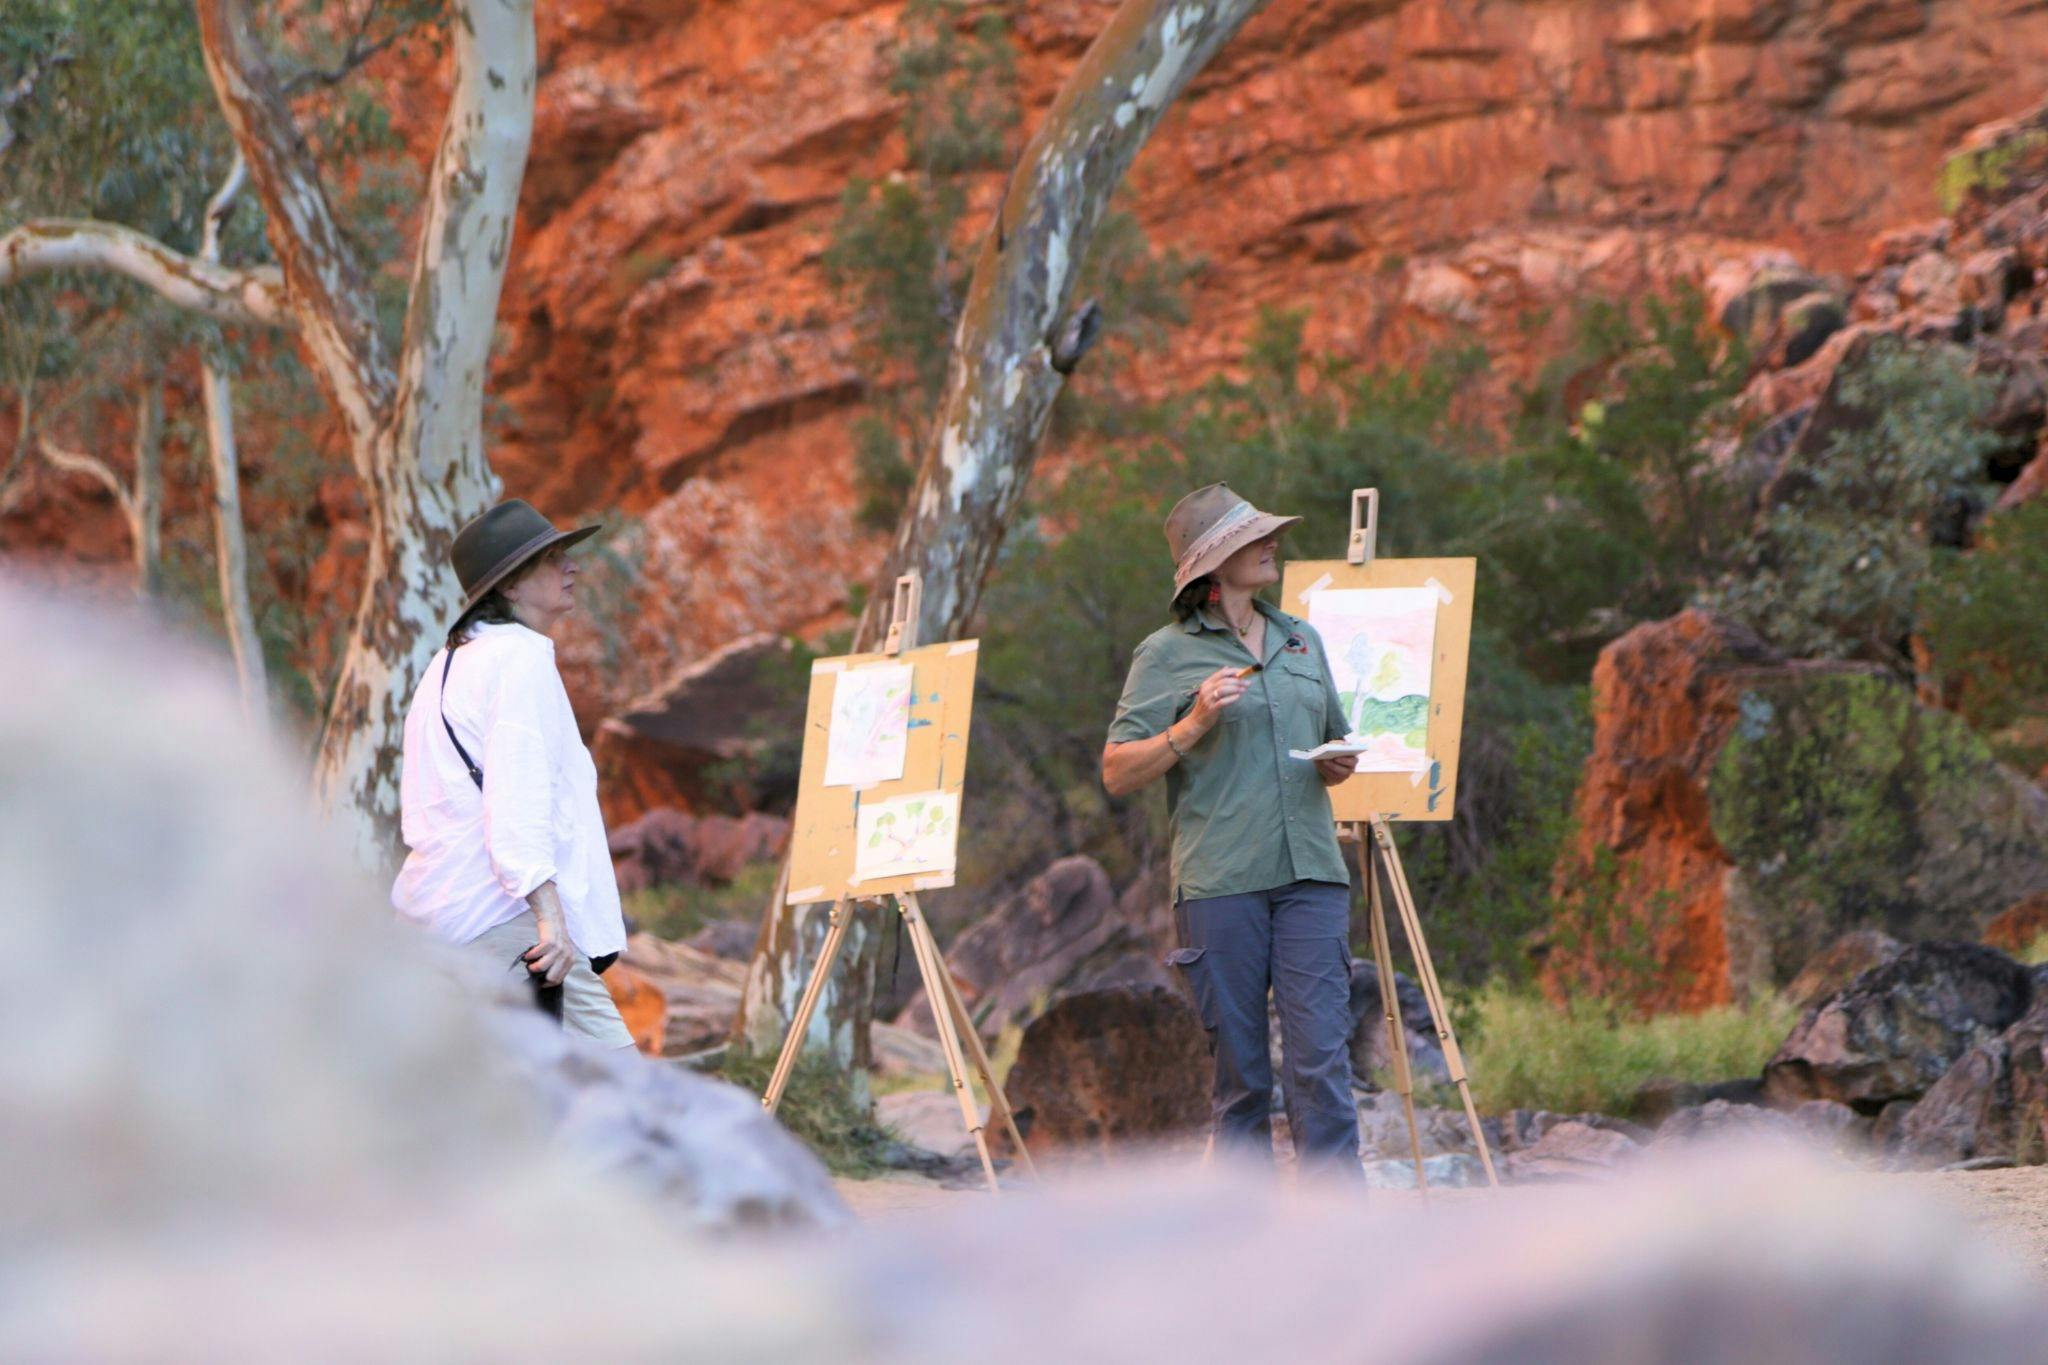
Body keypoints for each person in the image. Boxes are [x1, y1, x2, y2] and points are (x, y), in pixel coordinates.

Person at [1102, 482, 1364, 1170]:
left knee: (1322, 1072)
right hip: (1221, 886)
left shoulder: (1301, 639)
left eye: (1268, 534)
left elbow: (1334, 737)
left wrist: (1338, 763)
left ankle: (1343, 1247)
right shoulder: (1164, 654)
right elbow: (1118, 771)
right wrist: (1192, 724)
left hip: (1313, 875)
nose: (1271, 544)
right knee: (1243, 1081)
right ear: (1213, 565)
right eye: (1253, 540)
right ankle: (1240, 1255)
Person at [392, 498, 633, 1048]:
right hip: (507, 925)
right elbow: (516, 798)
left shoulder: (451, 663)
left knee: (518, 1119)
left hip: (439, 928)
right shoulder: (518, 658)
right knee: (628, 1111)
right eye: (550, 558)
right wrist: (550, 922)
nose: (571, 566)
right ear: (509, 587)